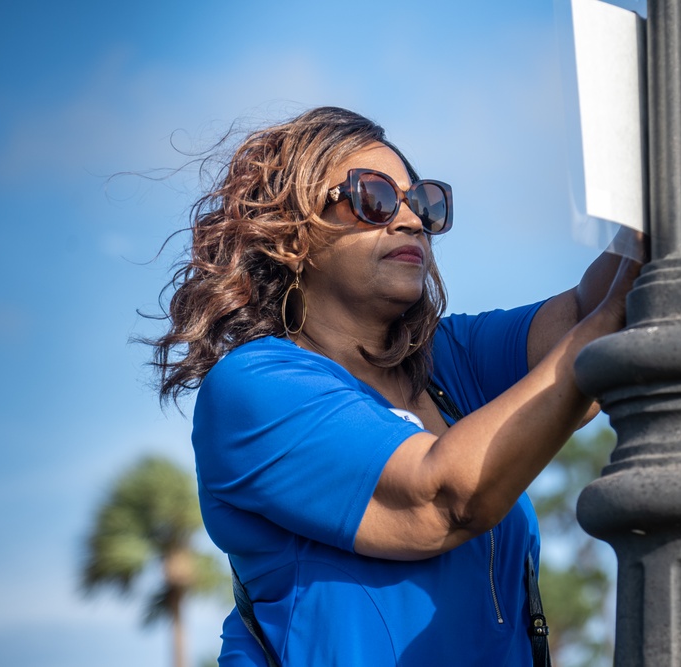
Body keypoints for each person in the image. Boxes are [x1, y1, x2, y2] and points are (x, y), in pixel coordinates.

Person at [150, 106, 640, 666]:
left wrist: (666, 197)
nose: (409, 220)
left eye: (423, 203)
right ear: (291, 235)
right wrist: (602, 326)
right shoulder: (252, 388)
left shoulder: (447, 362)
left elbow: (594, 311)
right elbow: (443, 498)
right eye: (374, 198)